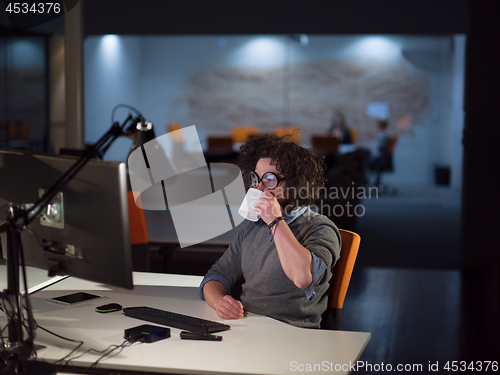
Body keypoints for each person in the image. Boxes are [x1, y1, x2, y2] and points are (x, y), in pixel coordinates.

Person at [199, 134, 341, 328]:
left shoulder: (320, 228)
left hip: (294, 334)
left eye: (270, 179)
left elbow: (302, 277)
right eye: (256, 178)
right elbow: (217, 275)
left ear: (296, 184)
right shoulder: (253, 227)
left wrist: (275, 220)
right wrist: (219, 301)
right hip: (248, 328)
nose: (258, 187)